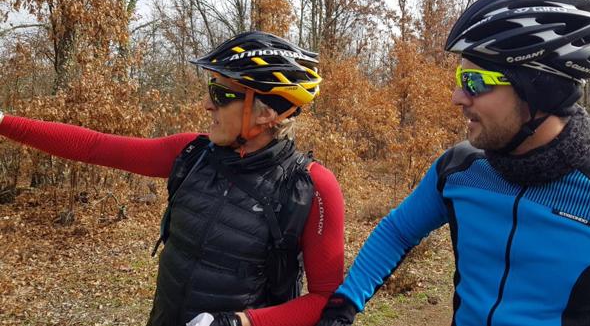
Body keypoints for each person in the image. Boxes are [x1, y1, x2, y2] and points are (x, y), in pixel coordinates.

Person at [315, 0, 590, 326]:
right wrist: (343, 305)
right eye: (460, 79)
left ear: (538, 89)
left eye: (474, 82)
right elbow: (397, 231)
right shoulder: (459, 169)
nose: (457, 97)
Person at [0, 31, 345, 326]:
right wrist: (3, 121)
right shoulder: (192, 154)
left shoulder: (310, 187)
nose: (207, 105)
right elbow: (94, 146)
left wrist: (242, 322)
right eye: (212, 88)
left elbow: (326, 299)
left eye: (222, 94)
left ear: (267, 112)